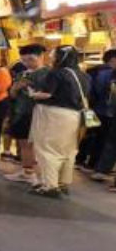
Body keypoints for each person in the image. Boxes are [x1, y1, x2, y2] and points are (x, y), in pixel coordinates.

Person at [27, 45, 90, 198]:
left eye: (53, 54)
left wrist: (32, 93)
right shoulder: (83, 75)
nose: (50, 57)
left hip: (53, 116)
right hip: (74, 117)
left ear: (61, 57)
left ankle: (50, 186)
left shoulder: (57, 73)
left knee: (47, 150)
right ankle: (62, 183)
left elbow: (47, 94)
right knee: (68, 151)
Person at [4, 45, 50, 185]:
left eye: (31, 59)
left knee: (36, 145)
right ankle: (27, 172)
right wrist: (15, 88)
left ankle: (37, 175)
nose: (27, 63)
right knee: (24, 144)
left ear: (41, 56)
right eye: (24, 60)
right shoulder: (21, 74)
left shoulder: (49, 74)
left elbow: (51, 95)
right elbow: (12, 95)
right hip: (20, 113)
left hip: (39, 113)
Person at [84, 49, 116, 179]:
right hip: (106, 112)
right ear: (112, 60)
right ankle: (98, 167)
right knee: (105, 140)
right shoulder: (106, 74)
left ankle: (91, 165)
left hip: (94, 110)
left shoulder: (97, 72)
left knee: (93, 136)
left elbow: (92, 92)